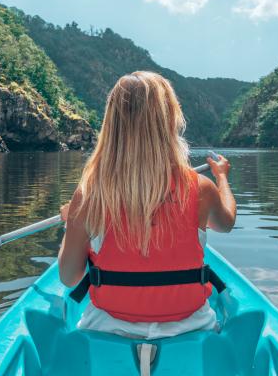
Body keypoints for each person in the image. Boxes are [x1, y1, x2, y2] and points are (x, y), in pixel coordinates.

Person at [58, 71, 236, 339]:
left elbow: (70, 277)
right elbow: (226, 223)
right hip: (191, 326)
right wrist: (221, 177)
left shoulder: (90, 194)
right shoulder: (201, 188)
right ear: (169, 121)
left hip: (108, 328)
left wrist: (72, 221)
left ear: (112, 125)